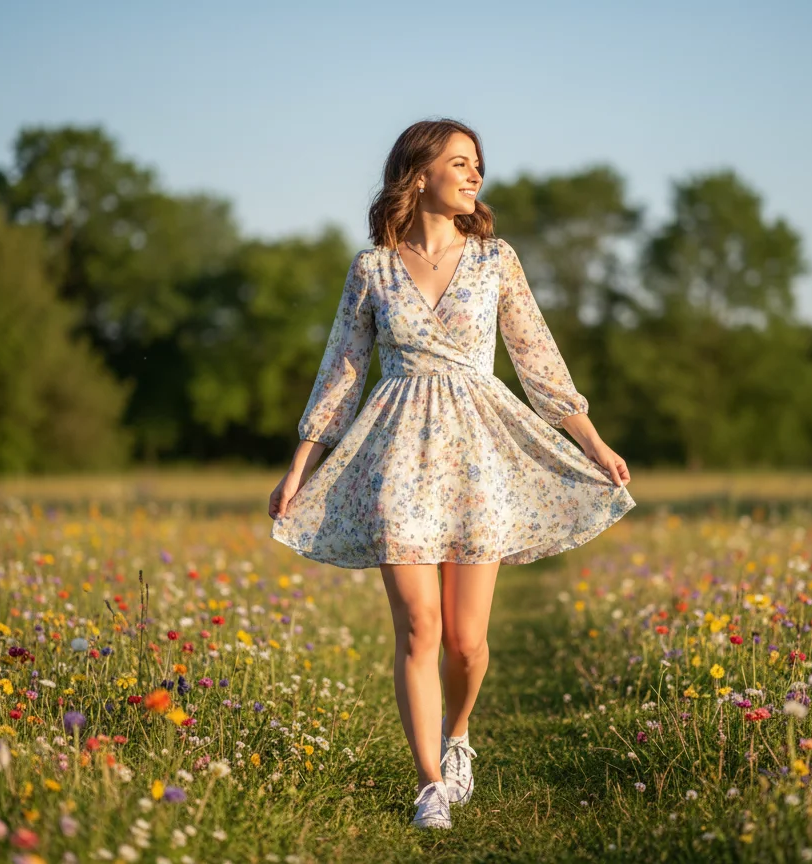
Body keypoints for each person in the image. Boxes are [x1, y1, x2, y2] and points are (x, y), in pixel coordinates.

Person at [268, 118, 635, 829]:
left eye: (478, 166)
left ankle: (458, 735)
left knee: (466, 642)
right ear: (418, 174)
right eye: (460, 163)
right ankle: (429, 785)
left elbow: (536, 357)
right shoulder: (371, 268)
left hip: (480, 457)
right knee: (419, 627)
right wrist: (298, 468)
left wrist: (591, 441)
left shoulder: (496, 259)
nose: (475, 176)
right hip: (396, 453)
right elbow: (341, 374)